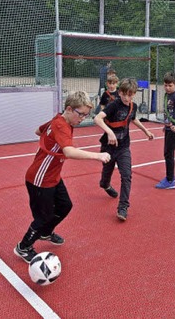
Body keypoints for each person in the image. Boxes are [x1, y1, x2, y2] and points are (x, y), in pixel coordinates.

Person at [14, 91, 111, 263]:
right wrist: (97, 156)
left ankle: (45, 233)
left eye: (86, 115)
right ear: (69, 109)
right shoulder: (61, 125)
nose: (82, 119)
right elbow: (69, 151)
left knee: (65, 206)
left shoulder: (59, 120)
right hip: (40, 179)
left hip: (53, 176)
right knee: (42, 217)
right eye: (80, 114)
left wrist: (51, 141)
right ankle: (23, 247)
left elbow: (38, 130)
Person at [94, 78, 155, 221]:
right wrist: (109, 132)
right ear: (120, 93)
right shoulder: (113, 105)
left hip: (123, 147)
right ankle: (105, 184)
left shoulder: (132, 106)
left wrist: (146, 131)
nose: (128, 98)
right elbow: (97, 118)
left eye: (131, 95)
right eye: (125, 94)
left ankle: (123, 207)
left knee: (126, 175)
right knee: (106, 174)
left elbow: (134, 119)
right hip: (108, 147)